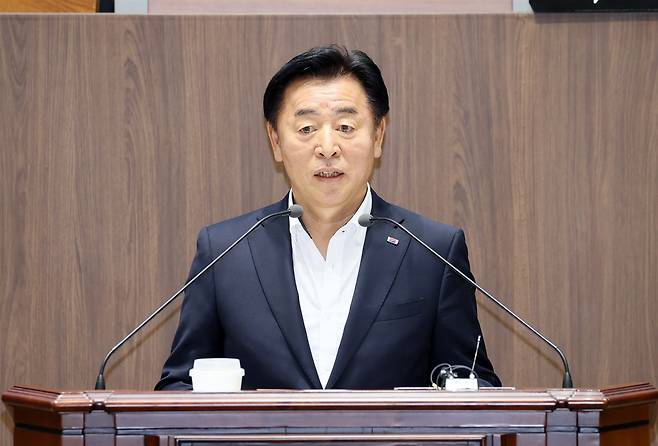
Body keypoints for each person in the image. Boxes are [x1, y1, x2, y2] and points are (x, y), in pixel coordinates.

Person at [156, 45, 501, 390]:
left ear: (378, 135)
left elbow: (473, 387)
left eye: (345, 127)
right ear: (275, 140)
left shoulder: (433, 253)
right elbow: (178, 387)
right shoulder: (225, 253)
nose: (327, 147)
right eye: (306, 128)